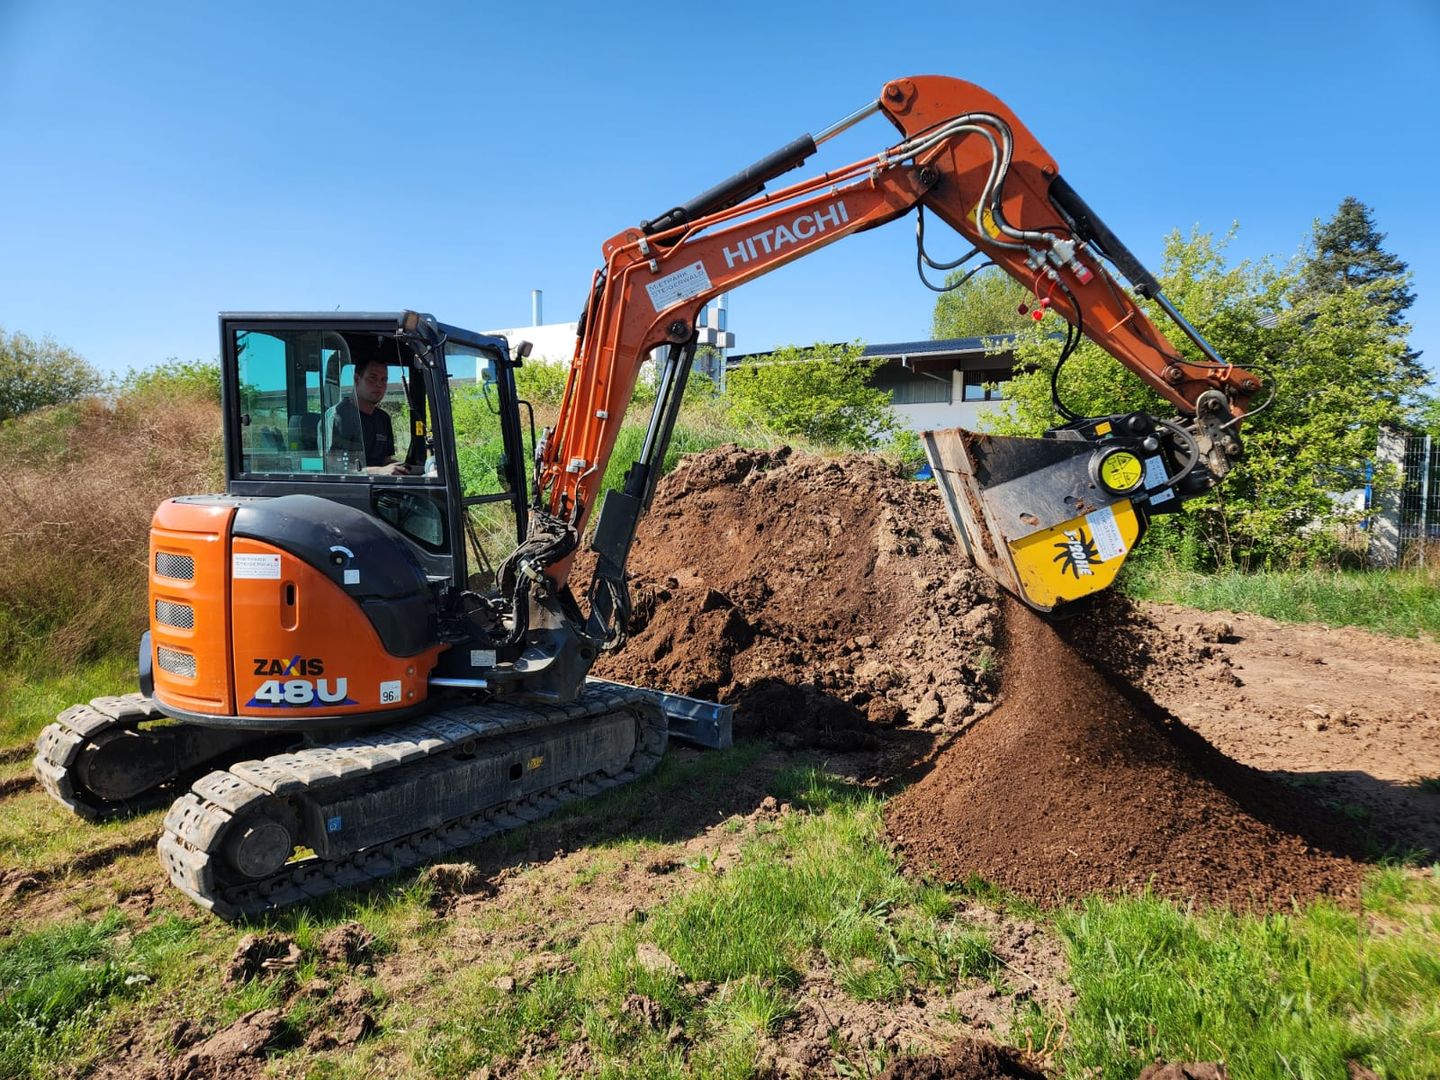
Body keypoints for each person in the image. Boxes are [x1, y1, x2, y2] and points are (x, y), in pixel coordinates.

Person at [322, 357, 412, 476]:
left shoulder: (383, 419)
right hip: (351, 487)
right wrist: (379, 471)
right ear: (356, 379)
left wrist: (418, 469)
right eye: (372, 378)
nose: (379, 384)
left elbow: (385, 461)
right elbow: (333, 467)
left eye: (384, 379)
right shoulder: (338, 416)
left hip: (382, 485)